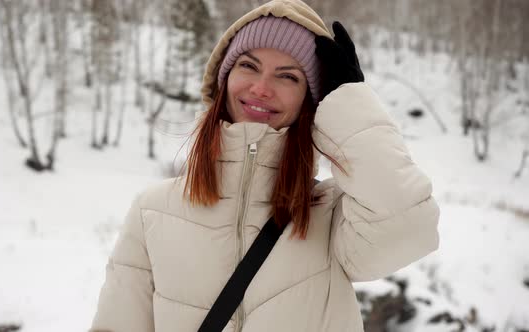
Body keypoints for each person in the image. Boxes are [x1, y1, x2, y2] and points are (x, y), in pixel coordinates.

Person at [90, 0, 440, 331]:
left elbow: (408, 229)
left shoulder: (336, 215)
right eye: (248, 66)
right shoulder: (152, 211)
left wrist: (348, 101)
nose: (260, 88)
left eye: (288, 77)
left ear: (311, 101)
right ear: (223, 78)